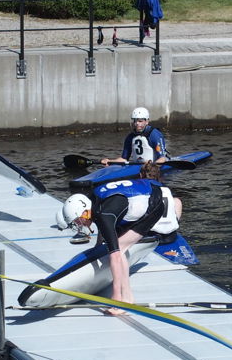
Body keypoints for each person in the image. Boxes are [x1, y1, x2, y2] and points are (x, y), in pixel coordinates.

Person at [58, 166, 175, 314]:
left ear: (85, 212)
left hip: (154, 204)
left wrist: (114, 296)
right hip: (139, 195)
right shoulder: (93, 202)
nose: (79, 225)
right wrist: (98, 246)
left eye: (78, 221)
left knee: (118, 249)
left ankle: (122, 299)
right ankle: (125, 297)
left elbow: (115, 255)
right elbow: (103, 226)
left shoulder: (103, 215)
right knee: (116, 245)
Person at [100, 107, 168, 166]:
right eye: (135, 121)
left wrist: (152, 167)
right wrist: (110, 161)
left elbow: (162, 158)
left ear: (147, 121)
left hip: (153, 166)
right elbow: (124, 159)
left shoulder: (154, 134)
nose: (137, 123)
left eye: (140, 121)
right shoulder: (130, 137)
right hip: (138, 166)